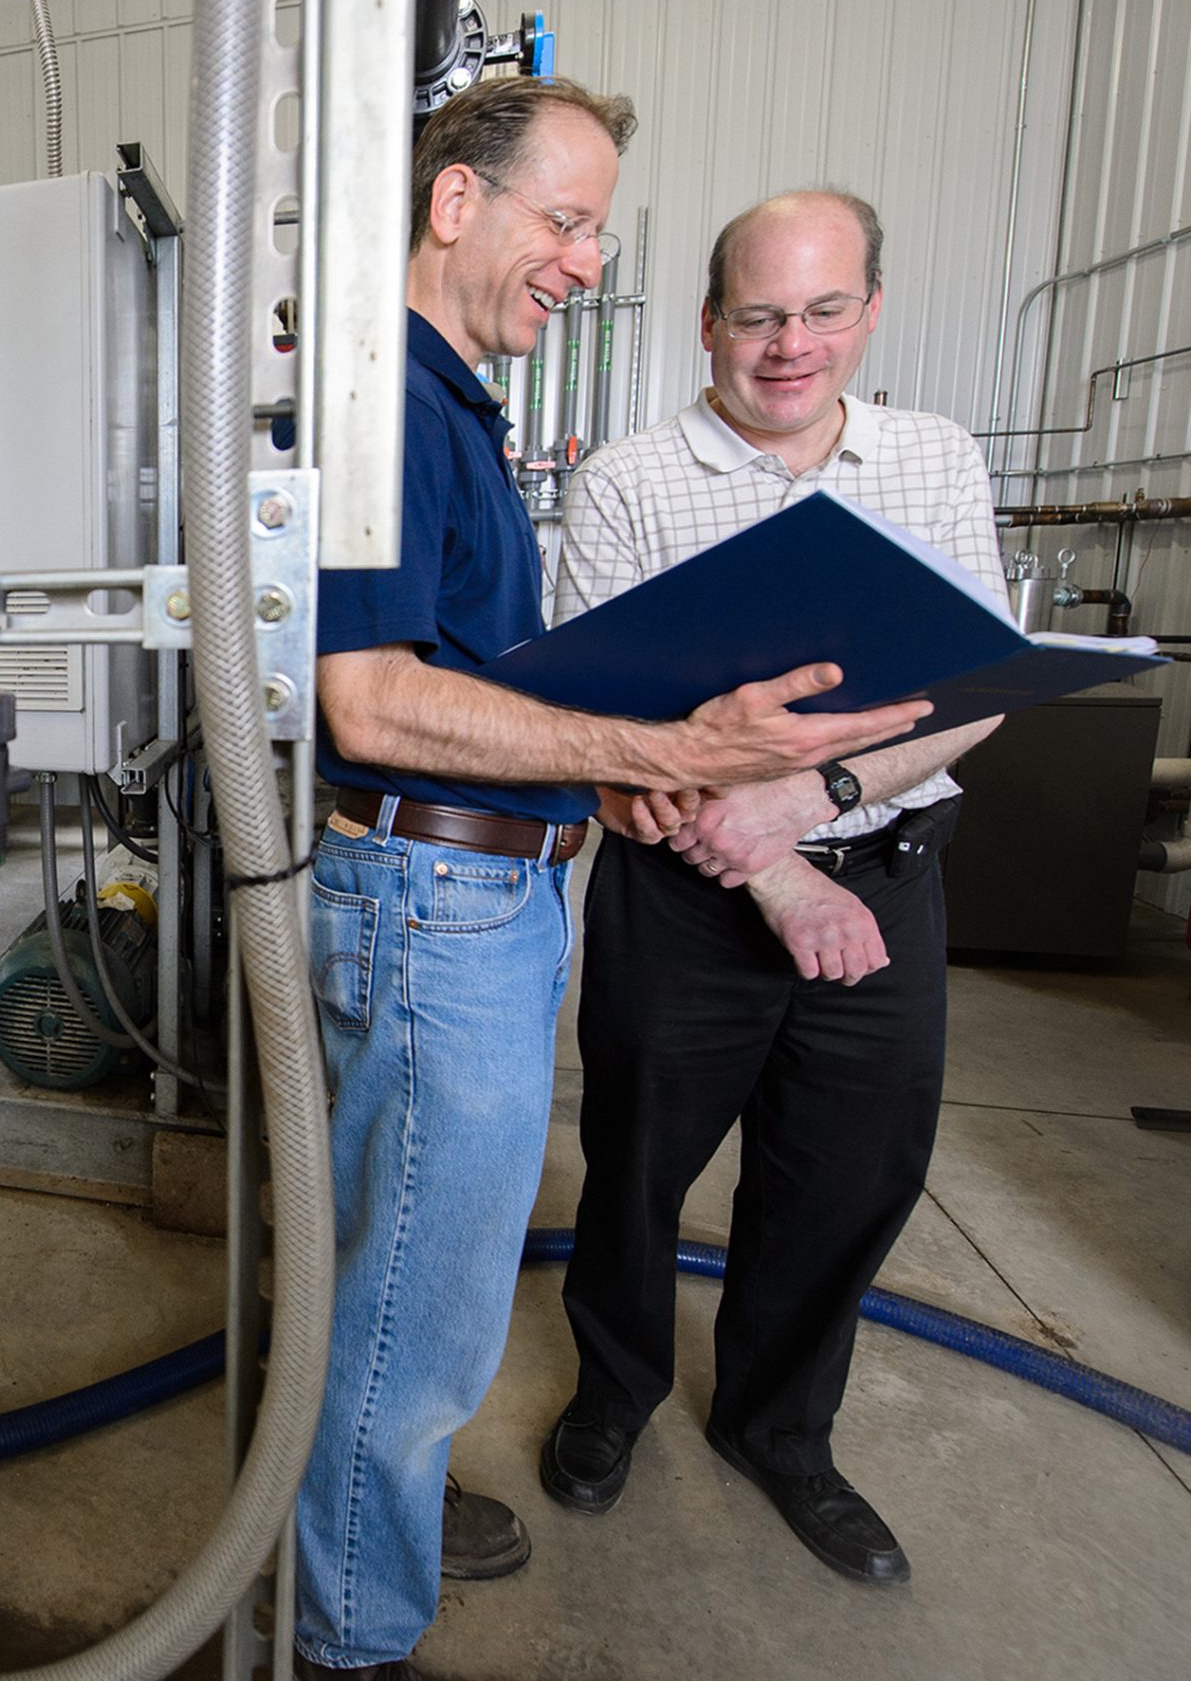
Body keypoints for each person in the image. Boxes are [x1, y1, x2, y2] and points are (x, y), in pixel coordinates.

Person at [295, 85, 933, 1680]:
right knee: (415, 1317)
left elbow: (461, 671)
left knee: (417, 1291)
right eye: (565, 220)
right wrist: (670, 740)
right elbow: (368, 699)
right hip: (431, 901)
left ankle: (375, 1516)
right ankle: (350, 1630)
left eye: (598, 228)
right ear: (455, 203)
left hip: (482, 895)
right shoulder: (381, 401)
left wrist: (630, 754)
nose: (586, 260)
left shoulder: (448, 404)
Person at [539, 189, 1004, 1586]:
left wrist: (819, 801)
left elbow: (978, 687)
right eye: (757, 315)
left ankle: (778, 1430)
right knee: (636, 1167)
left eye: (820, 311)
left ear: (870, 311)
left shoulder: (934, 462)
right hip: (683, 899)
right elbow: (614, 739)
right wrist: (782, 877)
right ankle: (615, 1394)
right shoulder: (626, 482)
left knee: (848, 1173)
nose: (789, 345)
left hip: (892, 874)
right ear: (707, 323)